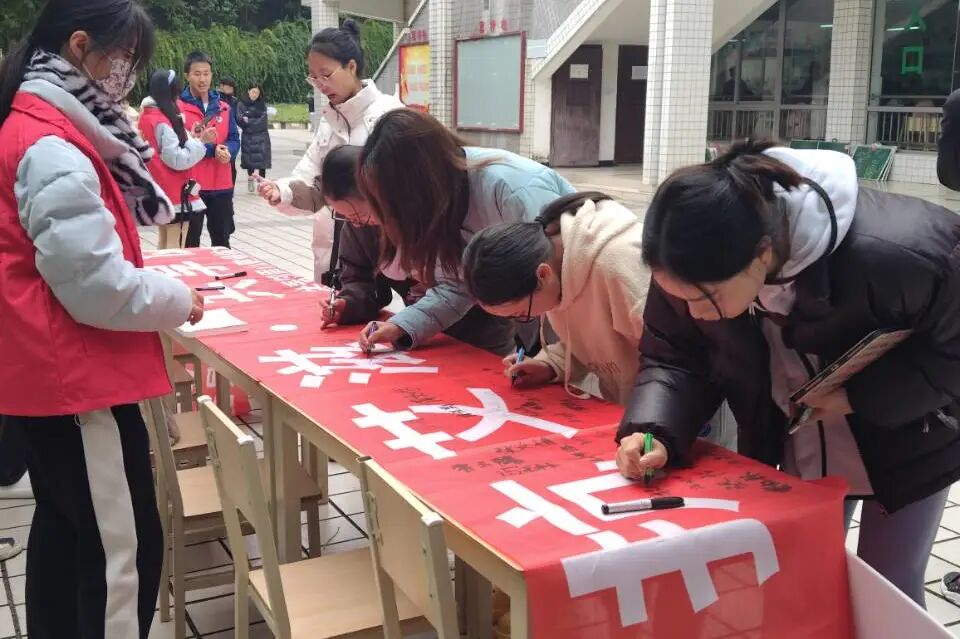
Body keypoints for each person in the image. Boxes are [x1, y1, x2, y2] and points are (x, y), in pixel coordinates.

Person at [615, 140, 960, 608]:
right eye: (682, 299)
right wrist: (654, 431)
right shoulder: (691, 266)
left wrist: (861, 396)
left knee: (890, 587)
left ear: (762, 255)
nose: (696, 313)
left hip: (911, 435)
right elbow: (676, 355)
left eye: (704, 300)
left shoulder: (903, 251)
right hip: (803, 441)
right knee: (804, 574)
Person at [0, 0, 206, 636]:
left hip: (46, 374)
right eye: (125, 60)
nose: (127, 75)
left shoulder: (35, 123)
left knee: (65, 532)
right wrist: (178, 297)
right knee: (124, 551)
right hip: (78, 380)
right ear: (81, 45)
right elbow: (95, 287)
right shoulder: (52, 144)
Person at [354, 109, 576, 355]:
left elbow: (562, 279)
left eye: (391, 204)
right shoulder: (438, 208)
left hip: (580, 318)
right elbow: (457, 284)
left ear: (419, 186)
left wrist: (554, 361)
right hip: (543, 320)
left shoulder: (514, 190)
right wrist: (402, 325)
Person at [305, 145, 532, 354]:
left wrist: (402, 325)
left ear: (378, 194)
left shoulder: (429, 213)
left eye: (359, 215)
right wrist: (348, 304)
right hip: (419, 333)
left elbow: (456, 286)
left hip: (477, 331)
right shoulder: (361, 227)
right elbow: (360, 279)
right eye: (344, 216)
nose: (355, 224)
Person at [257, 19, 403, 287]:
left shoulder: (390, 115)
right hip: (335, 250)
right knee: (338, 303)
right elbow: (309, 172)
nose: (320, 85)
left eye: (325, 74)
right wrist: (282, 191)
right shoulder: (329, 121)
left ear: (351, 66)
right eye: (313, 77)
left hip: (385, 247)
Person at [462, 192, 648, 402]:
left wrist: (652, 417)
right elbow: (593, 342)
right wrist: (550, 364)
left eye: (521, 313)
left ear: (543, 274)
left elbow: (671, 361)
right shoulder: (555, 268)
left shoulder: (620, 268)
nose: (524, 319)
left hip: (664, 411)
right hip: (635, 408)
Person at [140, 69, 217, 249]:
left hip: (161, 185)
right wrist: (201, 143)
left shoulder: (149, 115)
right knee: (176, 243)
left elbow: (166, 148)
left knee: (164, 239)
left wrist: (192, 136)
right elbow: (176, 159)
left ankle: (161, 267)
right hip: (176, 189)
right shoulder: (163, 120)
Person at [179, 51, 240, 248]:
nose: (202, 79)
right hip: (192, 185)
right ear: (187, 75)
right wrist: (212, 150)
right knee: (190, 243)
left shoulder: (224, 107)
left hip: (222, 184)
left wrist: (228, 151)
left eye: (206, 73)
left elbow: (234, 138)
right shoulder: (178, 108)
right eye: (197, 74)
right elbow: (180, 144)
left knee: (222, 241)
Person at [239, 81, 272, 193]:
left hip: (261, 137)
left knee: (262, 162)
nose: (255, 94)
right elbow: (240, 119)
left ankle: (262, 184)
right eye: (253, 92)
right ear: (248, 91)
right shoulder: (242, 104)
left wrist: (249, 121)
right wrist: (245, 121)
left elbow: (262, 121)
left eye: (257, 93)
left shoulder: (262, 105)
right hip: (248, 137)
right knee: (249, 160)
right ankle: (250, 179)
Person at [217, 75, 239, 186]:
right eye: (228, 86)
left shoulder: (234, 101)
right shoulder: (215, 98)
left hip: (231, 134)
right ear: (221, 86)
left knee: (231, 164)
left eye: (232, 87)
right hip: (218, 133)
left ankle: (230, 188)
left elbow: (236, 117)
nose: (230, 89)